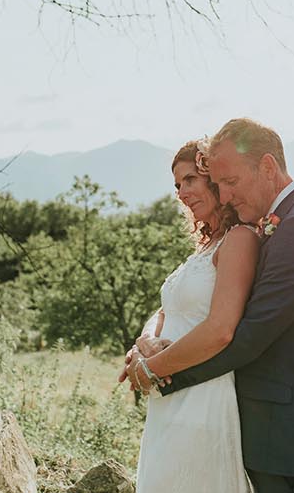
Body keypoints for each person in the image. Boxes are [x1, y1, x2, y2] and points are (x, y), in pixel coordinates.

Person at [125, 119, 294, 493]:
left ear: (267, 167)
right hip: (266, 429)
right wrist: (148, 346)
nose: (225, 195)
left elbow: (246, 336)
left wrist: (159, 373)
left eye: (230, 182)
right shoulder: (283, 222)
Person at [120, 139, 258, 492]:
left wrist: (151, 368)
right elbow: (167, 309)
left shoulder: (239, 240)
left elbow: (221, 330)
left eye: (190, 180)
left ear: (215, 178)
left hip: (202, 397)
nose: (182, 193)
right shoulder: (205, 247)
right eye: (177, 185)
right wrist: (145, 342)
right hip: (169, 398)